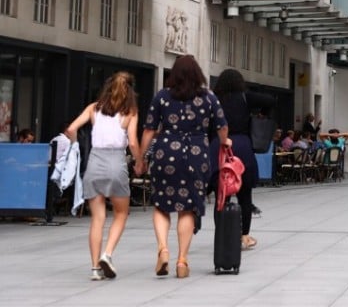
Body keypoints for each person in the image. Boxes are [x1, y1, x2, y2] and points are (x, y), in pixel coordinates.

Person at [137, 55, 229, 279]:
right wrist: (224, 142)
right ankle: (182, 261)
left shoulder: (162, 97)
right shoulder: (209, 97)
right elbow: (222, 126)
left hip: (166, 152)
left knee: (161, 204)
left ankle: (163, 249)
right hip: (196, 154)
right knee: (187, 208)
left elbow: (149, 129)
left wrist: (140, 158)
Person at [66, 71, 143, 281]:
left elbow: (71, 129)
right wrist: (139, 162)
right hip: (116, 162)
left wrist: (74, 147)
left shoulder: (93, 108)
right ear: (130, 92)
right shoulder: (130, 111)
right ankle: (107, 255)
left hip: (94, 162)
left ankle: (94, 268)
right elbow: (134, 143)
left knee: (97, 218)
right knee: (120, 214)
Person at [208, 68, 275, 251]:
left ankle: (223, 234)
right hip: (242, 146)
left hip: (219, 146)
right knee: (245, 195)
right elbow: (270, 100)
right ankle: (244, 235)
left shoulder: (213, 98)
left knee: (222, 196)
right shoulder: (245, 97)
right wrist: (262, 114)